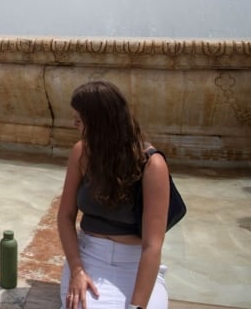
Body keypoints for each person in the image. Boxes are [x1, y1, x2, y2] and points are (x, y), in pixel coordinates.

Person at [57, 81, 170, 309]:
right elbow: (65, 216)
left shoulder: (152, 164)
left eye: (79, 120)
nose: (73, 124)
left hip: (136, 261)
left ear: (99, 123)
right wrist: (77, 269)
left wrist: (137, 306)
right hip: (90, 257)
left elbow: (152, 245)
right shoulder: (81, 153)